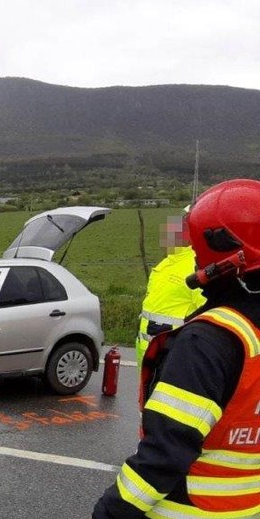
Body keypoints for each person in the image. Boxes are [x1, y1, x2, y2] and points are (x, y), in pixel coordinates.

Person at [93, 179, 260, 519]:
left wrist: (109, 512)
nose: (194, 255)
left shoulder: (211, 341)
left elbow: (164, 456)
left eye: (198, 247)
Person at [135, 210, 206, 367]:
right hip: (148, 353)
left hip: (173, 355)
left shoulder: (195, 266)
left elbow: (206, 315)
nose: (168, 234)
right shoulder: (166, 263)